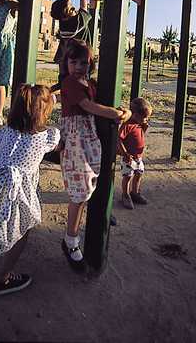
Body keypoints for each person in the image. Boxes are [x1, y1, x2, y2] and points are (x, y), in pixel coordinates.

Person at [0, 84, 60, 296]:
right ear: (42, 112)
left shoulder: (8, 131)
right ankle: (3, 278)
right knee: (21, 230)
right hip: (17, 191)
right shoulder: (47, 136)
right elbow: (58, 143)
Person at [60, 39, 131, 271]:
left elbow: (101, 101)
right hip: (75, 138)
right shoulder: (70, 82)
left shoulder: (89, 83)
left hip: (88, 136)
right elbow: (89, 107)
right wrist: (116, 113)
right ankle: (71, 241)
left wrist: (126, 111)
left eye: (84, 62)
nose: (79, 66)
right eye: (74, 62)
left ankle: (99, 213)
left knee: (93, 179)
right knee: (79, 192)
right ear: (66, 63)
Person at [50, 0, 92, 91]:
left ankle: (61, 85)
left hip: (65, 56)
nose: (73, 7)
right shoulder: (80, 20)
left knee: (64, 78)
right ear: (68, 13)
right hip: (80, 55)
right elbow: (84, 0)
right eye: (71, 8)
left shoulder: (63, 22)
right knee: (82, 79)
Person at [118, 97, 152, 210]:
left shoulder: (140, 124)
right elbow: (119, 139)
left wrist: (144, 129)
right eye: (145, 117)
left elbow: (139, 136)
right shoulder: (127, 125)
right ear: (136, 115)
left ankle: (135, 192)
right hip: (129, 158)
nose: (146, 119)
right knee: (128, 176)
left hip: (138, 157)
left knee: (139, 174)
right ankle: (125, 195)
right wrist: (125, 153)